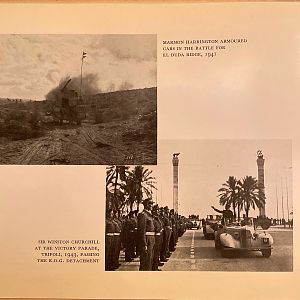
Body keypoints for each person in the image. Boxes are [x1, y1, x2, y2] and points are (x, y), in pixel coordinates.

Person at [137, 198, 155, 271]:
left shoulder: (149, 215)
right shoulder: (143, 215)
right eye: (150, 203)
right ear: (146, 204)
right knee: (145, 262)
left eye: (152, 204)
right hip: (147, 240)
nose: (151, 205)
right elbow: (141, 231)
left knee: (149, 260)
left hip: (151, 240)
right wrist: (144, 244)